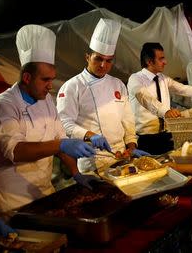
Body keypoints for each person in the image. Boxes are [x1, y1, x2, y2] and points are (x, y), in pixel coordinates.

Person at [0, 24, 96, 215]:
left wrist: (76, 172)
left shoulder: (45, 100)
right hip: (13, 200)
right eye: (45, 80)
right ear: (27, 78)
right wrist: (61, 145)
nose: (50, 86)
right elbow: (16, 150)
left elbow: (59, 138)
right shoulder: (3, 105)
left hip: (44, 192)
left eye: (52, 79)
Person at [57, 18, 146, 173]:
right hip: (92, 159)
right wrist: (90, 135)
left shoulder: (118, 84)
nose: (103, 65)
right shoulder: (72, 86)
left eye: (108, 61)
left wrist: (131, 146)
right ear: (87, 57)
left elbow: (128, 121)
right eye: (98, 58)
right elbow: (65, 123)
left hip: (121, 156)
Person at [127, 42, 192, 155]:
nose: (165, 62)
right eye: (161, 59)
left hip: (166, 134)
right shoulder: (135, 79)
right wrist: (166, 111)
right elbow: (145, 97)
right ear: (149, 61)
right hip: (146, 138)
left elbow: (184, 89)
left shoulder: (163, 79)